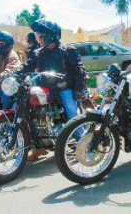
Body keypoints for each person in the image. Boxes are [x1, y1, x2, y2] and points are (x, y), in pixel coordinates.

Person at [23, 19, 87, 160]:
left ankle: (82, 143)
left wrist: (78, 89)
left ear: (50, 35)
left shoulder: (68, 51)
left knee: (72, 114)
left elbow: (79, 70)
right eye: (37, 34)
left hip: (64, 88)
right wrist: (14, 72)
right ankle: (38, 146)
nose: (37, 38)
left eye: (40, 35)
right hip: (44, 89)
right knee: (29, 111)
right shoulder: (38, 52)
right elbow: (26, 67)